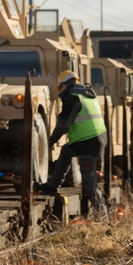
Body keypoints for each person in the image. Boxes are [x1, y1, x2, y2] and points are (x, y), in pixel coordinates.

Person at [35, 70, 108, 216]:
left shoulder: (73, 98)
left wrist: (50, 141)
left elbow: (63, 124)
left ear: (65, 84)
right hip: (96, 139)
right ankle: (52, 185)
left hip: (87, 143)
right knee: (66, 151)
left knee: (88, 181)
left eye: (60, 88)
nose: (60, 91)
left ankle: (102, 215)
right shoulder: (88, 95)